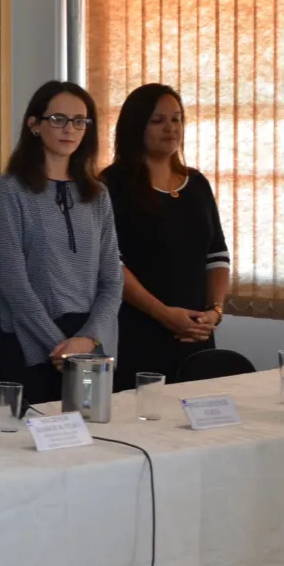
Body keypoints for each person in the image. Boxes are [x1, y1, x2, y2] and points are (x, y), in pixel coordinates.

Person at [0, 81, 123, 406]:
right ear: (34, 125)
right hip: (28, 339)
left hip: (87, 341)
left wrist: (88, 339)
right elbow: (14, 282)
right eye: (58, 119)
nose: (69, 129)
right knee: (22, 434)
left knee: (90, 433)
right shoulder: (11, 189)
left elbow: (113, 280)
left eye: (79, 121)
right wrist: (60, 346)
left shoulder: (98, 195)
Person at [101, 84, 231, 390]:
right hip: (138, 330)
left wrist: (215, 311)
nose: (171, 128)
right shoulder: (111, 184)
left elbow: (217, 255)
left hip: (196, 332)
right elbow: (110, 263)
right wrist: (164, 314)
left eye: (176, 119)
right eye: (158, 120)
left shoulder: (196, 183)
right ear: (137, 126)